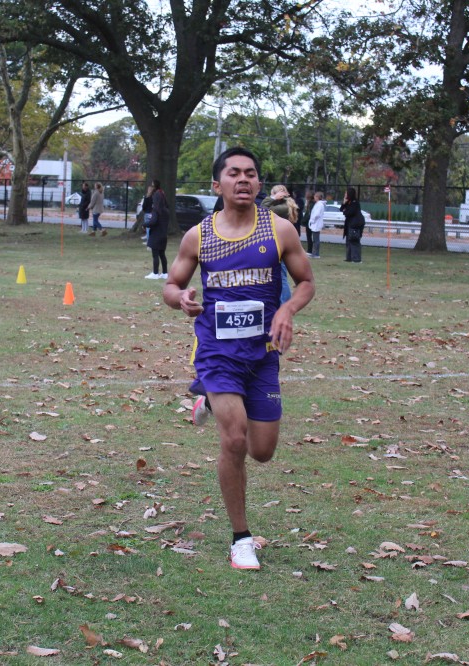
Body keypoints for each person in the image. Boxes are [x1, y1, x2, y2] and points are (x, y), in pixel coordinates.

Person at [163, 147, 315, 570]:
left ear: (259, 183)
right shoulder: (199, 235)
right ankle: (241, 539)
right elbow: (171, 285)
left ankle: (210, 401)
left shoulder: (280, 230)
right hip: (217, 352)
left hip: (262, 354)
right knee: (233, 440)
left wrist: (287, 309)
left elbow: (306, 281)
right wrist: (181, 298)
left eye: (250, 173)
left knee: (261, 451)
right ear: (218, 185)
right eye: (233, 173)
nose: (243, 179)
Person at [261, 185, 299, 303]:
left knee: (281, 275)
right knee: (280, 273)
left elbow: (262, 210)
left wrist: (272, 198)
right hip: (280, 240)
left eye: (272, 194)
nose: (271, 196)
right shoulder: (286, 205)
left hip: (279, 242)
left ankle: (284, 301)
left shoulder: (281, 208)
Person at [144, 180, 170, 279]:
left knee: (155, 254)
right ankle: (165, 273)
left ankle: (155, 273)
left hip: (156, 234)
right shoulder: (166, 211)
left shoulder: (156, 210)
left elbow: (153, 222)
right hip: (163, 234)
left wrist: (145, 224)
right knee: (162, 254)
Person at [341, 187, 365, 263]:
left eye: (346, 193)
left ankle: (356, 259)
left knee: (354, 240)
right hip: (349, 223)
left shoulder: (355, 202)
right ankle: (349, 258)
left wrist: (345, 211)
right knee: (348, 240)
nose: (345, 194)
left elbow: (349, 212)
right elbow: (341, 209)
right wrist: (344, 203)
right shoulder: (348, 202)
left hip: (356, 223)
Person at [307, 191, 325, 258]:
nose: (314, 197)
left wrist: (312, 220)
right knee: (314, 239)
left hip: (316, 223)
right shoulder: (317, 204)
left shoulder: (320, 205)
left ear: (318, 197)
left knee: (316, 239)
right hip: (315, 223)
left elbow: (316, 214)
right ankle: (314, 253)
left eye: (315, 196)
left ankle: (316, 254)